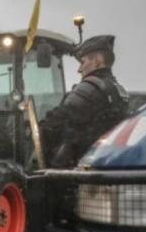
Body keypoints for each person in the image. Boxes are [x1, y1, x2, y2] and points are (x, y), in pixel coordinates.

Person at [40, 35, 129, 169]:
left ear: (98, 61)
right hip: (106, 162)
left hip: (75, 171)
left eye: (83, 62)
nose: (79, 69)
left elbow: (52, 126)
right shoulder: (119, 91)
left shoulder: (88, 90)